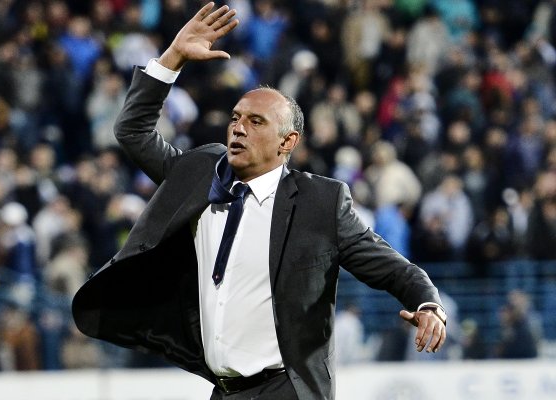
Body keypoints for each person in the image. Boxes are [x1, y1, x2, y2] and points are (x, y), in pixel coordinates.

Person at [72, 3, 447, 399]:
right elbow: (132, 131)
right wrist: (173, 58)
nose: (239, 128)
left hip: (286, 389)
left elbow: (394, 269)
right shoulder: (200, 174)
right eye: (235, 118)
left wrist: (428, 305)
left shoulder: (320, 202)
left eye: (256, 122)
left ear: (288, 142)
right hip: (223, 389)